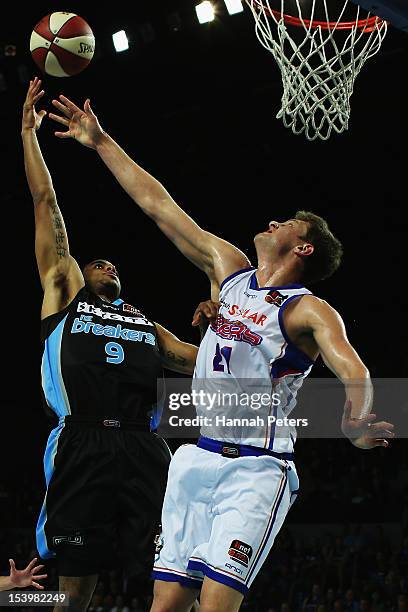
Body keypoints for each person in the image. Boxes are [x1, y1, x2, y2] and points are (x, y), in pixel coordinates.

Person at [48, 93, 395, 612]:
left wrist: (355, 420)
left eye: (287, 225)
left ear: (304, 248)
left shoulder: (308, 310)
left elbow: (353, 366)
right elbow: (159, 206)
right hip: (194, 459)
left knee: (214, 606)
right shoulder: (230, 273)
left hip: (255, 469)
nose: (273, 222)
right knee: (163, 606)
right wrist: (100, 142)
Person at [21, 78, 214, 612]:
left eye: (115, 265)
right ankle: (16, 600)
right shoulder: (65, 297)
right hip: (81, 444)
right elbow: (46, 205)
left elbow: (206, 364)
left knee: (177, 573)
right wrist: (26, 136)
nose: (111, 265)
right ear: (79, 273)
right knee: (75, 587)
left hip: (145, 448)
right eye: (99, 262)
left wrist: (223, 322)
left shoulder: (144, 325)